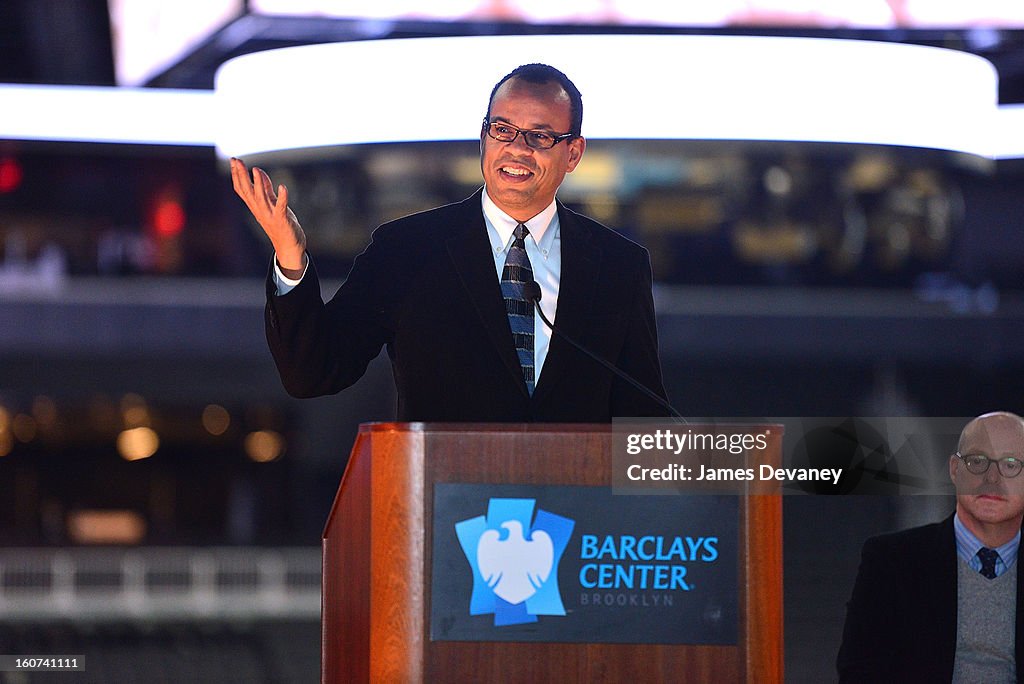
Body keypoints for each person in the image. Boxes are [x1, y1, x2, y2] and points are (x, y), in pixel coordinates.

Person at [230, 63, 669, 422]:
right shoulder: (407, 250)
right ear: (483, 136)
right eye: (503, 130)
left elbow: (644, 415)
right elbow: (314, 373)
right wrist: (290, 256)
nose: (517, 149)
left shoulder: (618, 266)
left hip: (578, 517)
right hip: (446, 512)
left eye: (540, 136)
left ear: (573, 153)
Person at [837, 411, 1024, 682]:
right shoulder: (891, 561)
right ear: (954, 470)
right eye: (977, 461)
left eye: (1010, 464)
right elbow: (859, 672)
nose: (992, 478)